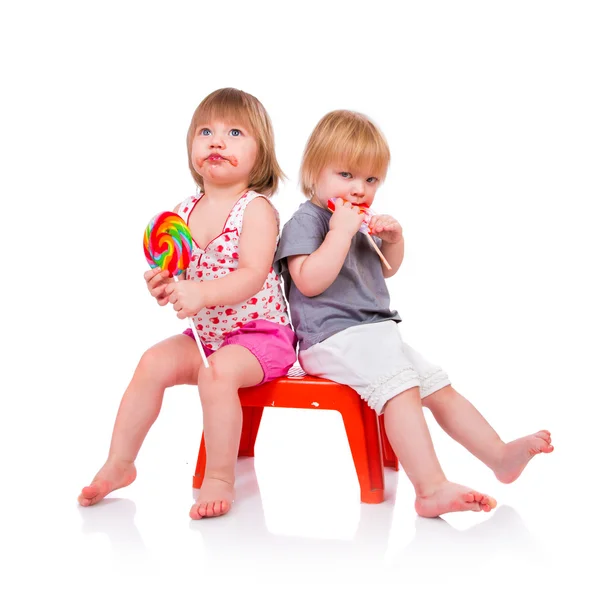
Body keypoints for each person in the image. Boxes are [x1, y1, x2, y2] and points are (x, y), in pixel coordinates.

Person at [274, 110, 553, 518]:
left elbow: (387, 269)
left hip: (376, 334)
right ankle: (430, 488)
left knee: (437, 386)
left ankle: (499, 456)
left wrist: (393, 241)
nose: (359, 189)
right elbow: (309, 281)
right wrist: (339, 233)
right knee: (401, 387)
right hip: (331, 338)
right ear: (314, 171)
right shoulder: (308, 221)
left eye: (371, 180)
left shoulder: (356, 222)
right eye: (346, 175)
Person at [79, 88, 296, 519]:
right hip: (205, 336)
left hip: (261, 338)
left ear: (262, 154)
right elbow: (181, 277)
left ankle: (218, 476)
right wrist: (166, 285)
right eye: (205, 132)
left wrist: (201, 293)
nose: (216, 141)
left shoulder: (256, 210)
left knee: (216, 376)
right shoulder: (181, 212)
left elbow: (252, 275)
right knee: (152, 362)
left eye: (234, 132)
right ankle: (120, 463)